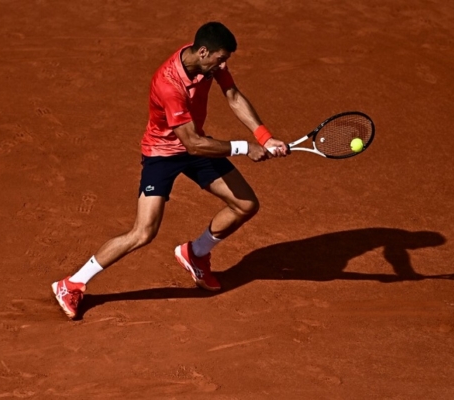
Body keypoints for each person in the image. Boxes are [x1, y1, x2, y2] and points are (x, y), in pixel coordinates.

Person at [51, 21, 288, 319]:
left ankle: (195, 254)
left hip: (197, 144)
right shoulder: (169, 83)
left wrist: (264, 136)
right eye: (220, 58)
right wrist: (245, 147)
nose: (224, 65)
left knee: (245, 204)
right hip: (164, 153)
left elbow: (233, 95)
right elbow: (192, 144)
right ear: (203, 52)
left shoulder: (208, 65)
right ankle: (71, 284)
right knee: (143, 232)